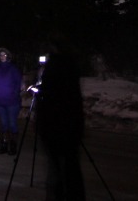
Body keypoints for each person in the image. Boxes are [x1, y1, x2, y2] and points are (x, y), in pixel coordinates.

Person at [37, 36, 85, 201]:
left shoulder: (56, 66)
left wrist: (40, 89)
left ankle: (59, 197)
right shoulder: (72, 65)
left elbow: (50, 95)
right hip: (72, 124)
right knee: (71, 165)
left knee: (56, 168)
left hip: (55, 125)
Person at [0, 47, 23, 155]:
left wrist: (13, 94)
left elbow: (18, 83)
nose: (2, 57)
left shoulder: (13, 69)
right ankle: (4, 145)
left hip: (12, 101)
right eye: (1, 55)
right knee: (4, 123)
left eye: (4, 55)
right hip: (0, 101)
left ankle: (13, 145)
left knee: (12, 123)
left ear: (8, 56)